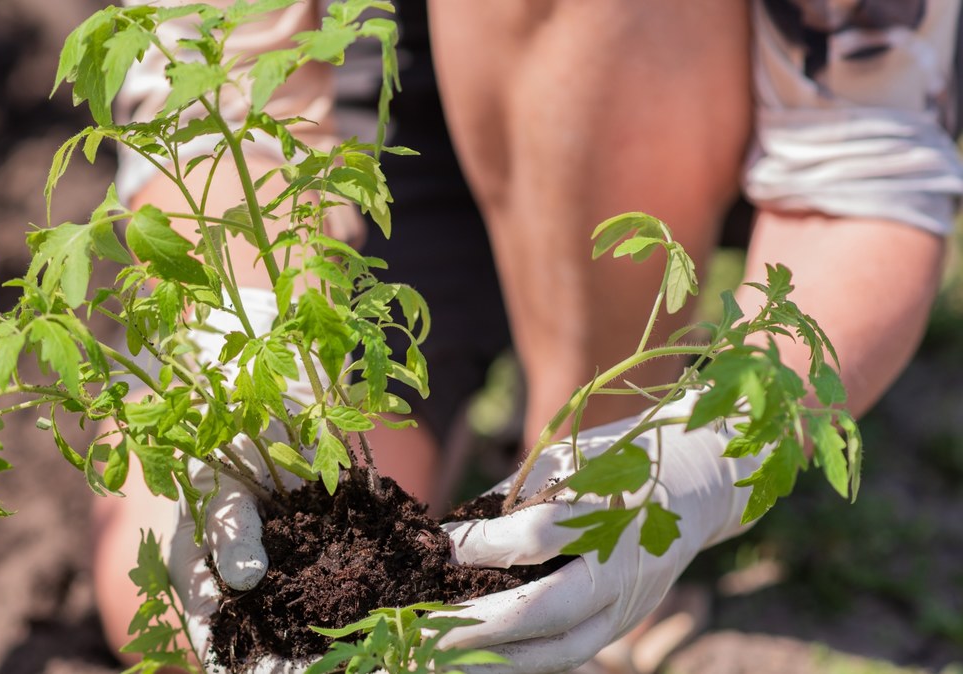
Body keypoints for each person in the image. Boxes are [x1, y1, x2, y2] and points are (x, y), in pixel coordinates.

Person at [91, 1, 963, 672]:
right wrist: (238, 339)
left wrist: (703, 457)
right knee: (192, 618)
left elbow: (863, 178)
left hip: (660, 60)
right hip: (387, 85)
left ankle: (580, 465)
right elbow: (212, 84)